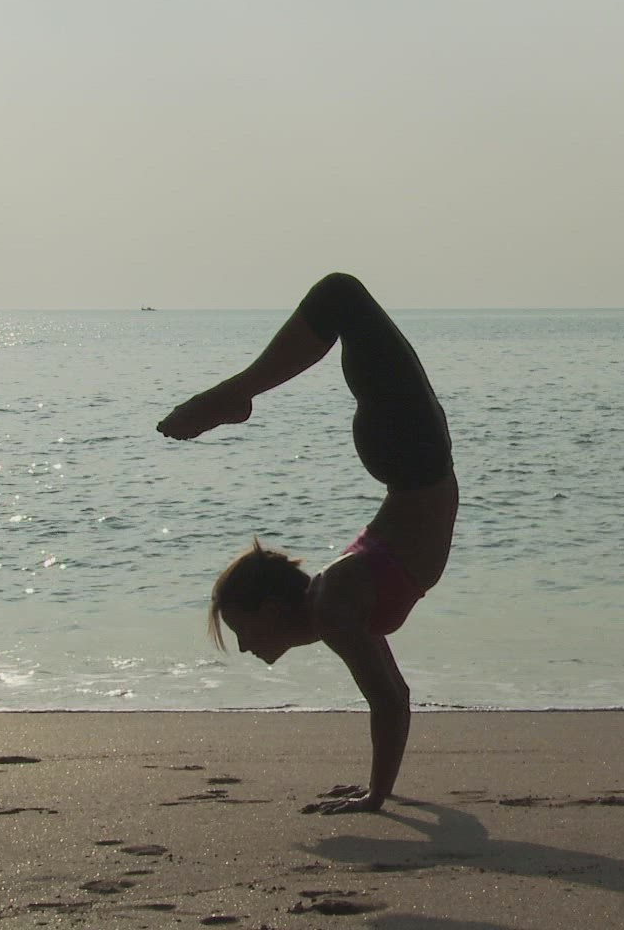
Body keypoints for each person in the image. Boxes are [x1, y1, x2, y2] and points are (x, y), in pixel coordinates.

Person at [158, 273, 456, 815]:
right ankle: (236, 393)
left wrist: (375, 798)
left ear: (271, 610)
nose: (244, 647)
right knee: (343, 303)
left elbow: (388, 702)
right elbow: (396, 695)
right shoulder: (334, 607)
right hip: (411, 456)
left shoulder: (333, 606)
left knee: (341, 296)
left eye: (242, 630)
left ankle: (235, 394)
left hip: (412, 455)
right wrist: (378, 788)